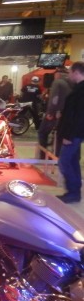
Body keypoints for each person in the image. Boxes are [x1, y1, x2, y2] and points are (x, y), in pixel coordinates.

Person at [56, 62, 84, 204]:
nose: (69, 75)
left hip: (74, 134)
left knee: (64, 162)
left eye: (70, 72)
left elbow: (79, 116)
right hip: (75, 133)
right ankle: (74, 192)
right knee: (72, 161)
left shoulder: (81, 91)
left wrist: (69, 135)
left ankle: (73, 192)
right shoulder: (78, 89)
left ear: (76, 72)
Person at [38, 66, 72, 159]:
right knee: (59, 135)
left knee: (42, 132)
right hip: (67, 114)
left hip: (55, 113)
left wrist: (50, 112)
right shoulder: (73, 82)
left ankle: (43, 154)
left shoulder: (58, 82)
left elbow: (54, 99)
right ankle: (57, 155)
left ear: (57, 74)